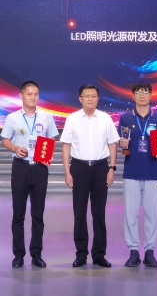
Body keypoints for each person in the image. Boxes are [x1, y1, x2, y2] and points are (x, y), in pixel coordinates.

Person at [60, 84, 120, 268]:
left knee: (99, 213)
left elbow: (112, 144)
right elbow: (66, 146)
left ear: (98, 98)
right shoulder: (72, 119)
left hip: (101, 167)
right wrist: (67, 172)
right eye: (87, 96)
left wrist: (112, 168)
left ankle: (99, 255)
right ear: (80, 98)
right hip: (79, 168)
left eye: (93, 96)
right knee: (79, 213)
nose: (90, 99)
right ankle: (81, 254)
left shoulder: (105, 118)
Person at [1, 80, 59, 269]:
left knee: (38, 214)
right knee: (18, 214)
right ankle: (18, 255)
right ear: (21, 95)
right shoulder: (12, 118)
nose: (33, 97)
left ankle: (36, 254)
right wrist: (15, 148)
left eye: (36, 94)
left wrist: (47, 153)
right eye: (29, 94)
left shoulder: (46, 116)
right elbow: (5, 140)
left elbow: (51, 137)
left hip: (40, 168)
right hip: (21, 167)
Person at [118, 82, 157, 268]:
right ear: (133, 96)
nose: (142, 95)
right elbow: (123, 144)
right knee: (130, 214)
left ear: (150, 95)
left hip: (153, 172)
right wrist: (122, 143)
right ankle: (133, 251)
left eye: (145, 92)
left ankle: (149, 251)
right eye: (138, 92)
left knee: (152, 214)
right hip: (131, 171)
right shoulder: (125, 118)